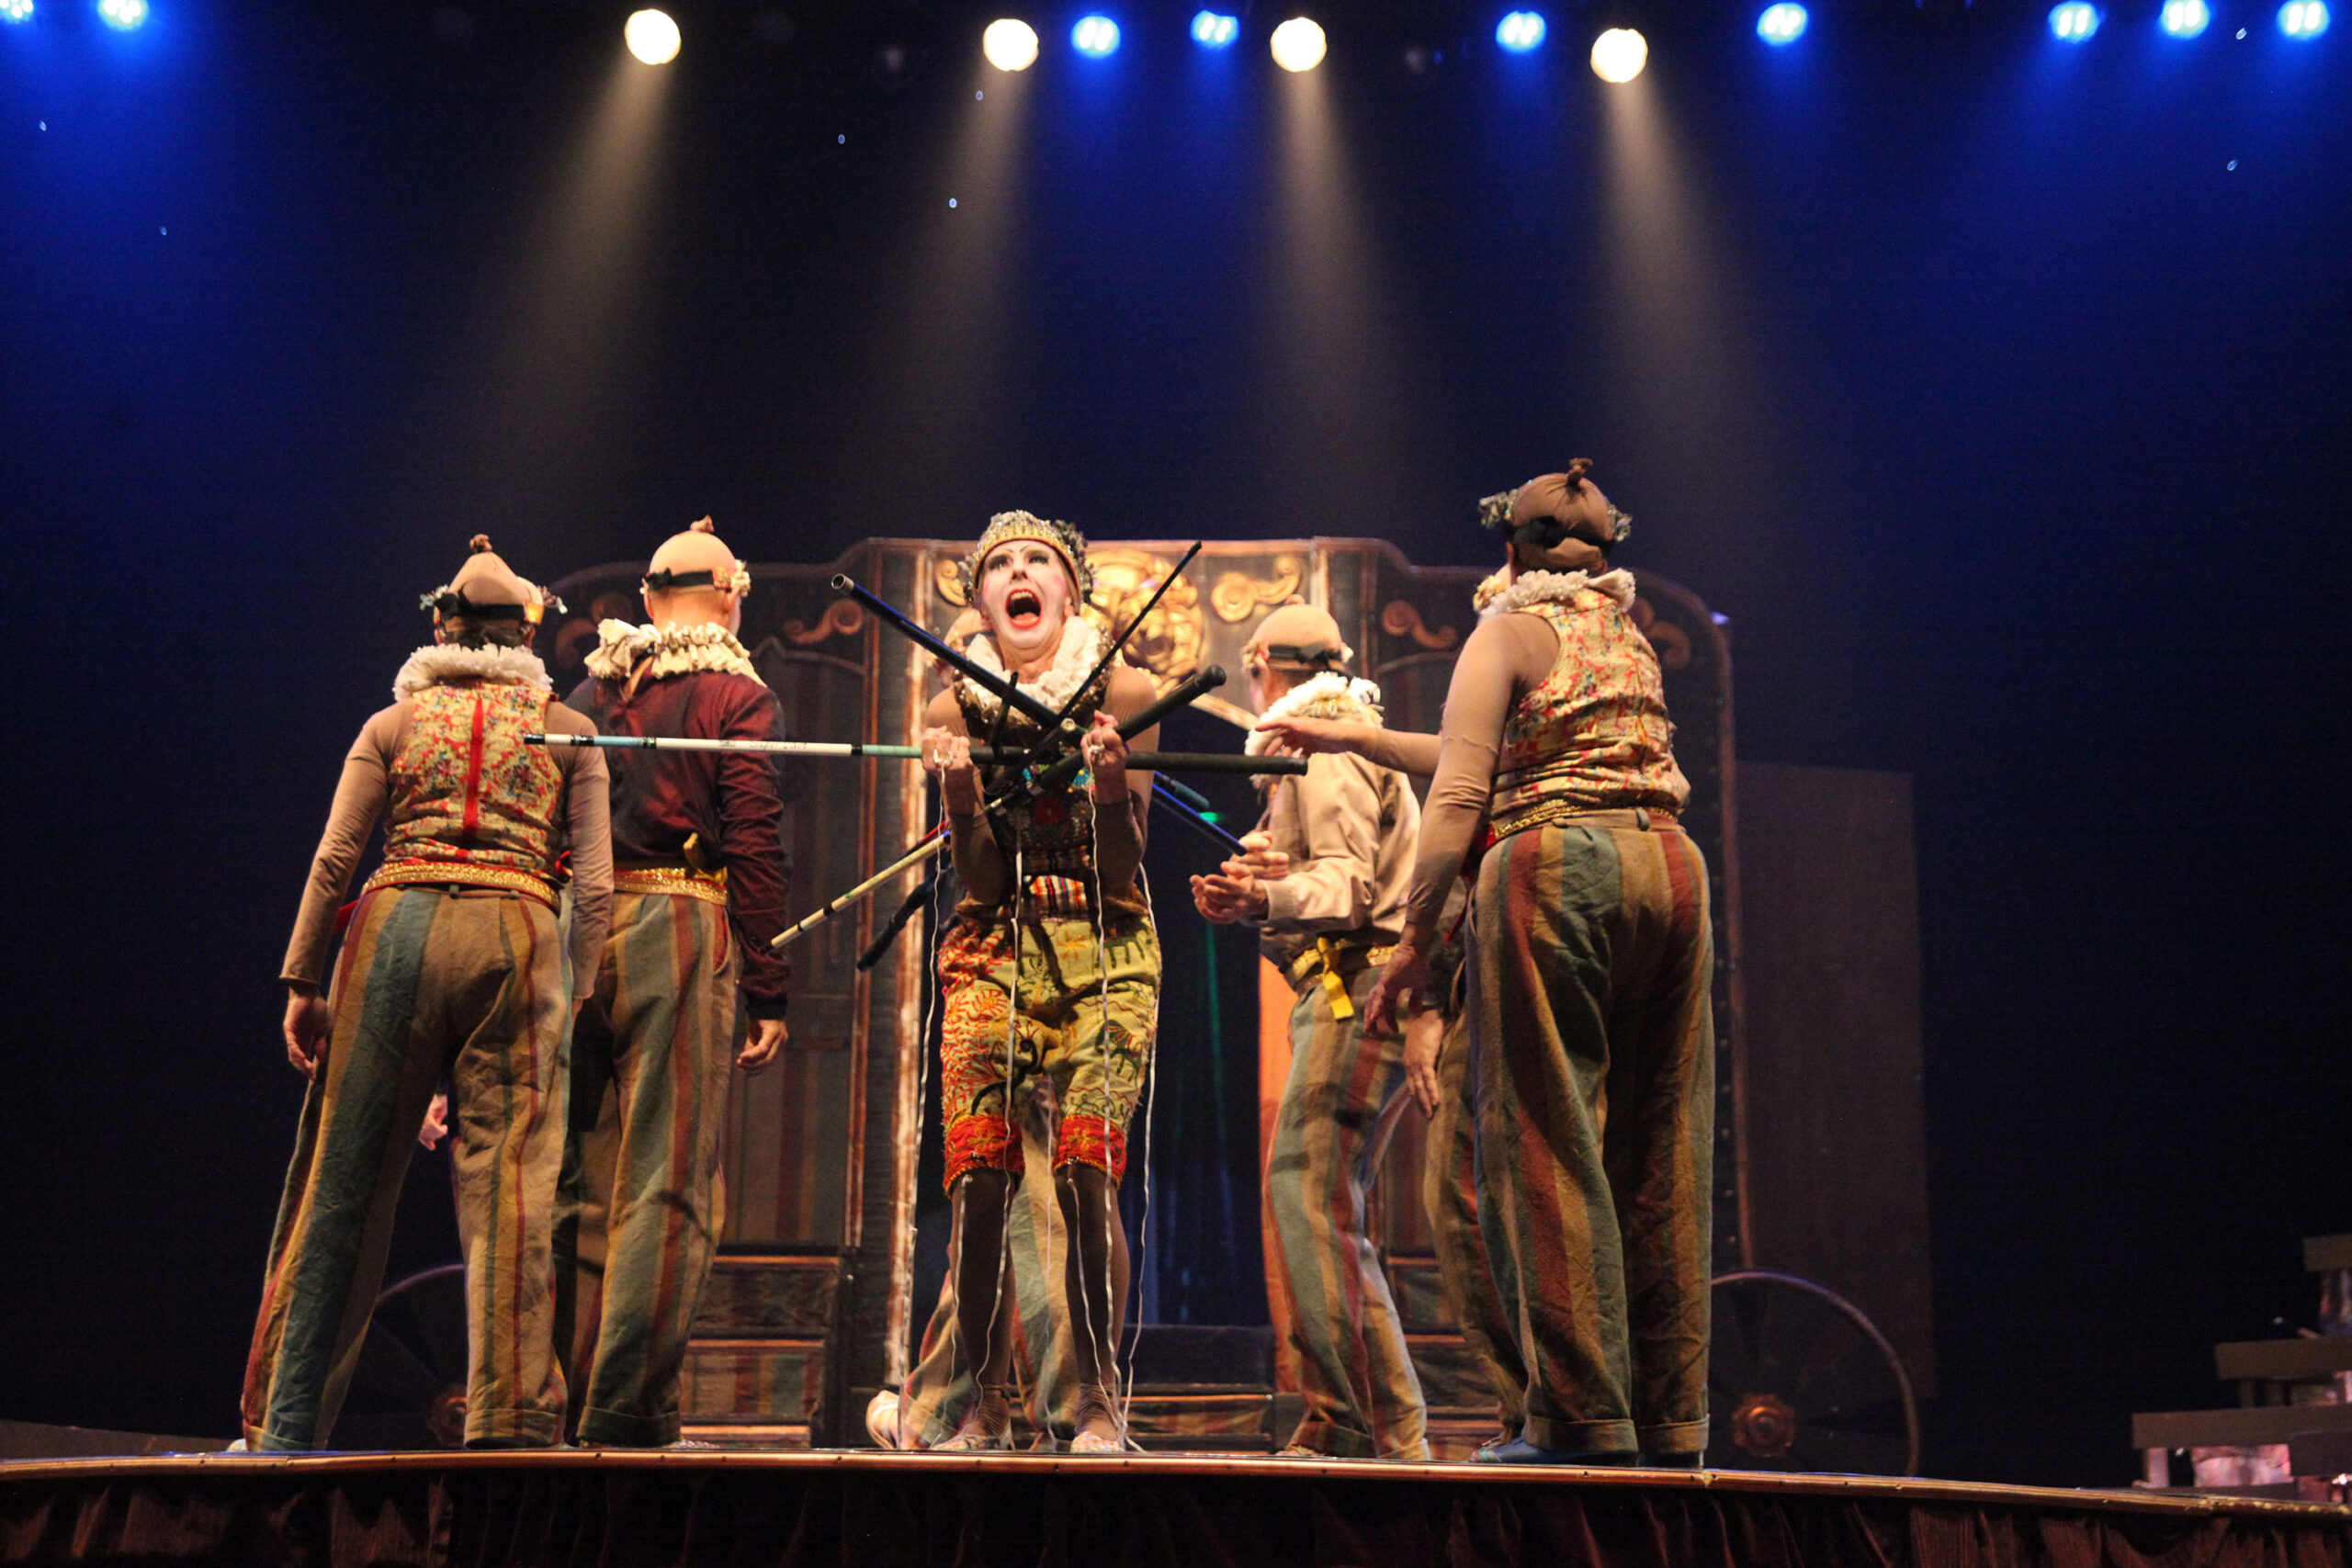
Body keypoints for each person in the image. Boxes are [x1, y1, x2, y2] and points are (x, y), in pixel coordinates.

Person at [1363, 463, 1714, 1466]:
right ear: (1606, 558)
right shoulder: (1626, 637)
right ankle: (1671, 1420)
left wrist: (1412, 942)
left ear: (1509, 551)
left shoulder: (1509, 628)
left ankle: (1578, 1420)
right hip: (1672, 867)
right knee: (1662, 1143)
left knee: (1547, 1139)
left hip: (1556, 863)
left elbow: (1459, 795)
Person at [243, 536, 611, 1451]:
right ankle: (511, 1423)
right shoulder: (570, 730)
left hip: (395, 932)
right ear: (525, 634)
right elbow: (598, 888)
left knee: (344, 1179)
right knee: (512, 1192)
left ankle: (284, 1424)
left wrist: (301, 979)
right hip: (517, 937)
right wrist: (574, 992)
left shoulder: (393, 724)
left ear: (442, 629)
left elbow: (335, 857)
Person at [917, 510, 1162, 1454]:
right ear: (983, 602)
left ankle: (1097, 1402)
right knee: (979, 1177)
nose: (1020, 574)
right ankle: (984, 1405)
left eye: (1038, 561)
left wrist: (1111, 783)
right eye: (1001, 566)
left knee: (1086, 1171)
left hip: (1107, 944)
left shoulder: (1125, 691)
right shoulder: (952, 711)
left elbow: (1120, 869)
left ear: (1070, 591)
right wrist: (958, 792)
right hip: (992, 944)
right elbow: (980, 880)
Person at [555, 517, 792, 1448]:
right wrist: (768, 985)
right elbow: (755, 842)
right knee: (669, 1177)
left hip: (576, 924)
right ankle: (625, 1414)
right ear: (731, 597)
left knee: (578, 1179)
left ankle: (559, 1407)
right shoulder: (736, 693)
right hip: (677, 921)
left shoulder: (590, 691)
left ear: (651, 601)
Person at [1190, 604, 1430, 1461]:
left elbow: (1350, 885)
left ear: (1265, 667)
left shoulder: (1326, 742)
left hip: (1357, 987)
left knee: (1308, 1191)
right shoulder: (1324, 741)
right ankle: (1392, 1431)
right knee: (1323, 1201)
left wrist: (1265, 894)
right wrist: (1260, 881)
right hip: (1344, 986)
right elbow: (1325, 866)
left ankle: (1345, 1421)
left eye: (1252, 671)